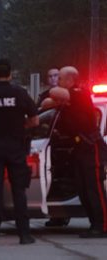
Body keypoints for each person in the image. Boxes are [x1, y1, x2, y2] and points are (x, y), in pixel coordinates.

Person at [0, 58, 39, 245]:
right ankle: (24, 235)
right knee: (19, 190)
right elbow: (35, 121)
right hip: (16, 146)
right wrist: (20, 126)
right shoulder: (20, 93)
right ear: (10, 74)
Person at [49, 66, 107, 238]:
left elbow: (53, 93)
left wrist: (54, 97)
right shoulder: (69, 98)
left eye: (60, 78)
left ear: (70, 80)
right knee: (83, 189)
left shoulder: (78, 92)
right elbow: (49, 101)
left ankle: (103, 225)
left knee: (93, 188)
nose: (57, 81)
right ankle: (94, 223)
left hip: (91, 147)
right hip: (80, 148)